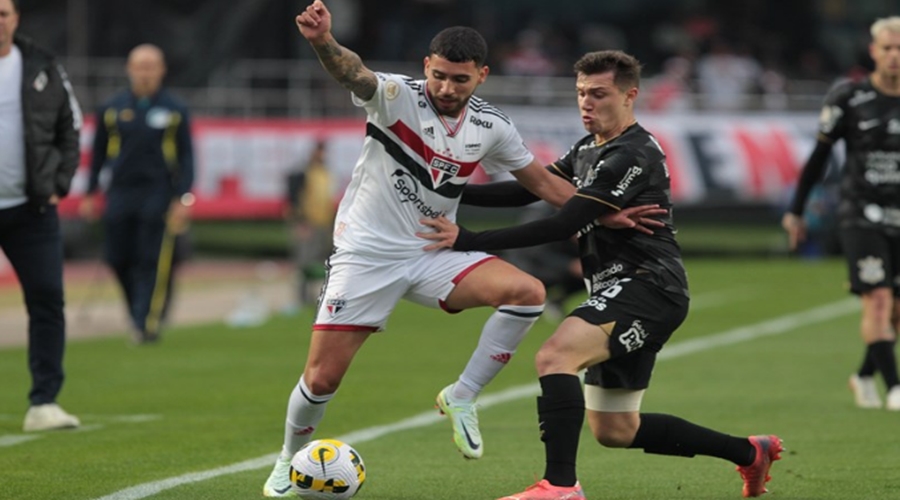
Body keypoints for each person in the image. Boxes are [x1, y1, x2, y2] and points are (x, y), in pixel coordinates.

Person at [262, 2, 657, 496]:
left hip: (432, 252)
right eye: (441, 76)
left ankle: (462, 395)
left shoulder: (491, 126)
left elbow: (540, 183)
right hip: (366, 256)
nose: (448, 89)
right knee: (321, 380)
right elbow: (353, 71)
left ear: (482, 76)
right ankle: (285, 459)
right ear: (427, 66)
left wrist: (604, 214)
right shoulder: (393, 97)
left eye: (461, 80)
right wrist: (323, 41)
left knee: (527, 292)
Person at [420, 50, 782, 500]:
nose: (586, 103)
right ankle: (750, 453)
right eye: (580, 94)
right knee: (616, 429)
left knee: (555, 357)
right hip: (620, 287)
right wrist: (451, 190)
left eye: (598, 94)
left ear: (630, 96)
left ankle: (560, 486)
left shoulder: (632, 153)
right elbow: (529, 190)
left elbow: (563, 223)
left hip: (649, 285)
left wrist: (469, 239)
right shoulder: (589, 149)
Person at [782, 16, 900, 411]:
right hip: (861, 213)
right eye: (887, 48)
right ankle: (895, 387)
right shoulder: (848, 98)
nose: (895, 55)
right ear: (873, 51)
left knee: (896, 312)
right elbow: (819, 158)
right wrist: (796, 211)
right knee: (879, 298)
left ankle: (865, 375)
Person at [0, 0, 82, 431]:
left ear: (15, 19)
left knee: (48, 298)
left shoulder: (42, 66)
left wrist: (59, 183)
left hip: (30, 208)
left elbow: (71, 126)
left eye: (2, 12)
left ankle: (44, 403)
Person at [80, 44, 195, 344]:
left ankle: (146, 322)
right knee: (117, 257)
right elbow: (97, 154)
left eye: (150, 66)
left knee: (150, 259)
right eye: (139, 66)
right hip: (119, 193)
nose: (145, 72)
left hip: (158, 192)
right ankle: (136, 309)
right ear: (129, 70)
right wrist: (90, 192)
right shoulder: (113, 109)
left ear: (161, 70)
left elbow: (187, 158)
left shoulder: (175, 110)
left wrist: (183, 197)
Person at [502, 201, 583, 321]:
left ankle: (557, 301)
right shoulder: (539, 215)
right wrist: (569, 265)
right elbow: (534, 253)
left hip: (555, 262)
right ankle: (527, 304)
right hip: (526, 266)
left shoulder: (581, 211)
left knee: (592, 268)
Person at [283, 140, 337, 312]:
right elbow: (294, 199)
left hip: (323, 223)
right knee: (303, 262)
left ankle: (316, 296)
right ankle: (301, 297)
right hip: (308, 223)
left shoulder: (325, 172)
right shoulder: (304, 172)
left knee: (318, 262)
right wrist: (300, 222)